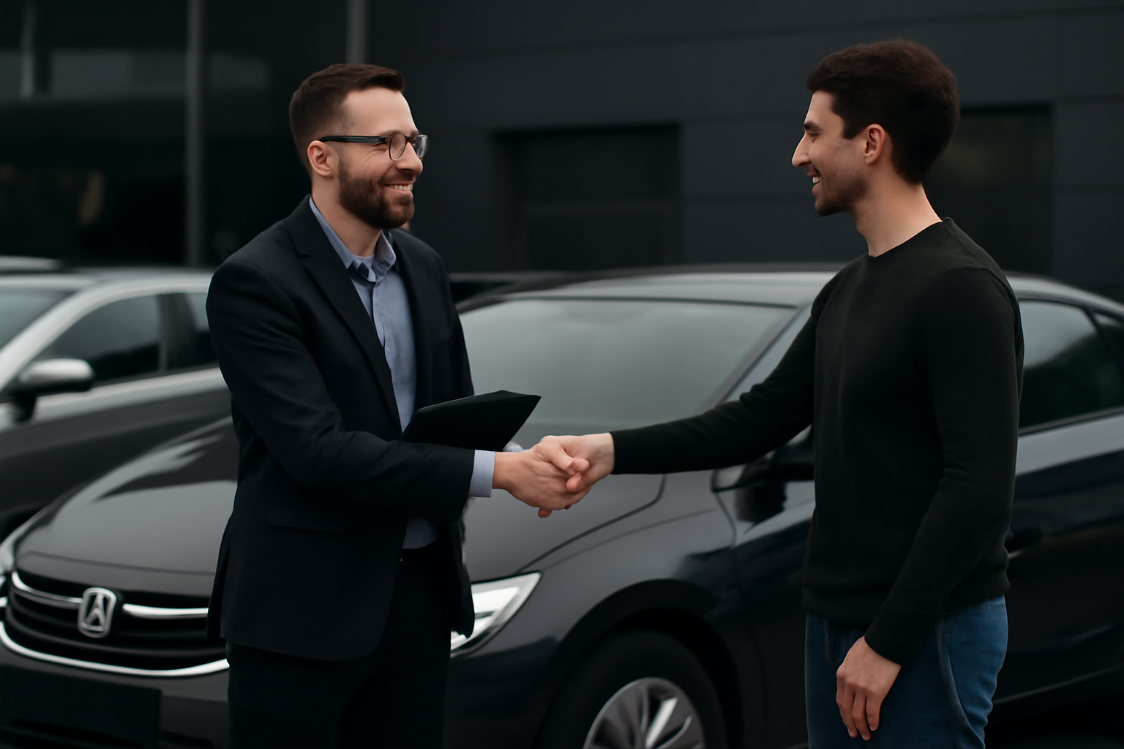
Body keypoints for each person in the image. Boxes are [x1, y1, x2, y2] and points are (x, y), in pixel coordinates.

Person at [539, 40, 1022, 749]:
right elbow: (759, 418)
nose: (798, 155)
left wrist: (887, 641)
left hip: (925, 631)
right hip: (836, 620)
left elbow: (977, 487)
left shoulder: (960, 289)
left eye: (813, 132)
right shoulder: (848, 290)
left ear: (872, 143)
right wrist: (609, 450)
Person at [205, 63, 586, 748]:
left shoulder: (424, 266)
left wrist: (521, 457)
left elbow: (451, 416)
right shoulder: (255, 282)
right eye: (386, 143)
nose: (409, 162)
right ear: (321, 156)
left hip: (417, 599)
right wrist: (501, 473)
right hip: (301, 615)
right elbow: (315, 450)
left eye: (414, 142)